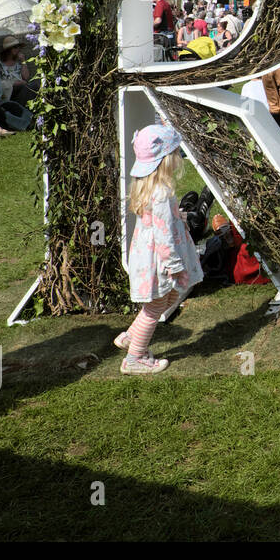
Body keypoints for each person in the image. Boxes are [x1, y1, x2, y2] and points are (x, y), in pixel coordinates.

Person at [114, 124, 204, 375]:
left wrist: (179, 218)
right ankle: (134, 359)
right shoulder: (162, 193)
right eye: (176, 153)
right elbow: (164, 237)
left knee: (166, 298)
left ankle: (131, 337)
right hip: (162, 261)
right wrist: (175, 266)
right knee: (155, 307)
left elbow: (159, 224)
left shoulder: (148, 187)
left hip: (149, 257)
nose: (179, 158)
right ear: (165, 160)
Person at [0, 36, 38, 104]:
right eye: (15, 47)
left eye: (19, 47)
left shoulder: (18, 63)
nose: (18, 49)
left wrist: (23, 61)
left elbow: (26, 77)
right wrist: (13, 83)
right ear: (8, 49)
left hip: (21, 89)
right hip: (7, 91)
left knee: (33, 86)